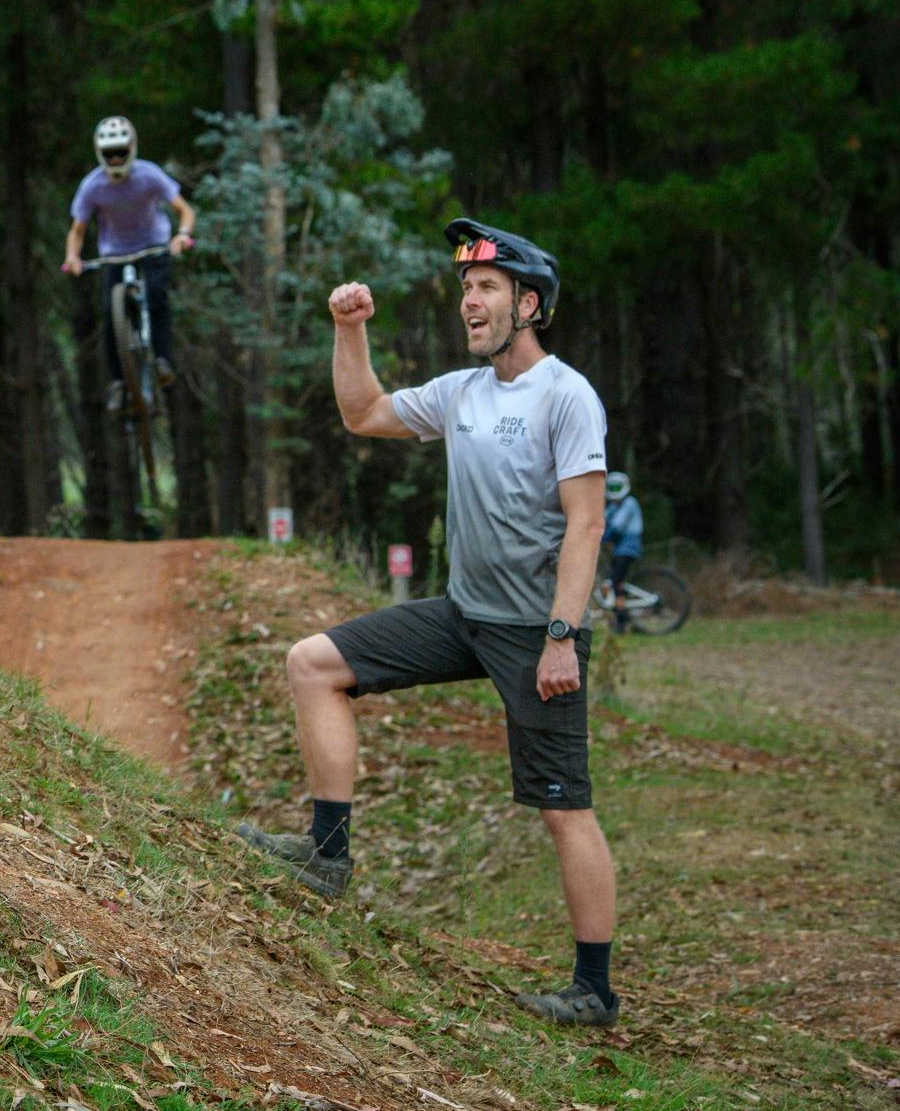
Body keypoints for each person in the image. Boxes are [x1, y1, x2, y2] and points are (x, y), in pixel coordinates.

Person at [235, 219, 622, 1028]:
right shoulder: (462, 391)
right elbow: (365, 410)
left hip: (534, 631)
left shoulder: (566, 395)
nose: (468, 303)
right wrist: (350, 329)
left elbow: (585, 526)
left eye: (484, 289)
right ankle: (326, 854)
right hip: (462, 614)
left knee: (564, 807)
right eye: (464, 291)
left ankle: (593, 989)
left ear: (530, 303)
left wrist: (562, 635)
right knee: (313, 663)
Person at [61, 116, 196, 407]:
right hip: (114, 252)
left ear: (132, 148)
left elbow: (184, 210)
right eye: (110, 153)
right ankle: (119, 382)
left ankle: (161, 360)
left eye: (120, 151)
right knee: (111, 313)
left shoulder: (149, 175)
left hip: (153, 245)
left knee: (158, 297)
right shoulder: (92, 186)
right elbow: (77, 230)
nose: (116, 158)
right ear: (100, 154)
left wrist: (182, 235)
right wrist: (72, 257)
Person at [602, 472, 645, 629]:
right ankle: (623, 616)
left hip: (628, 548)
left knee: (615, 582)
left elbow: (617, 527)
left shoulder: (629, 503)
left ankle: (621, 621)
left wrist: (603, 537)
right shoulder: (614, 506)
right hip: (618, 549)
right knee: (613, 581)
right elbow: (603, 519)